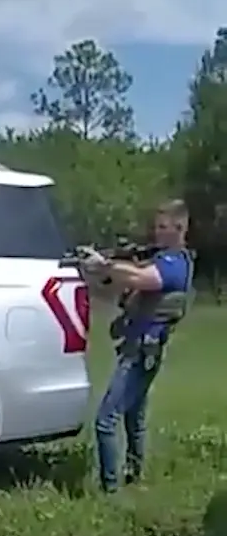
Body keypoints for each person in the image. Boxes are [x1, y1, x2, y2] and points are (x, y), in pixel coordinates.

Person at [83, 199, 194, 493]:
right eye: (156, 226)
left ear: (180, 228)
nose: (157, 233)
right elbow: (120, 282)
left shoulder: (174, 263)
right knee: (134, 417)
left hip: (143, 351)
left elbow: (141, 278)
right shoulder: (159, 259)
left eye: (163, 227)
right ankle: (134, 477)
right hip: (141, 347)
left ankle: (111, 491)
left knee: (105, 420)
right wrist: (103, 270)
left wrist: (105, 265)